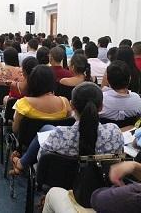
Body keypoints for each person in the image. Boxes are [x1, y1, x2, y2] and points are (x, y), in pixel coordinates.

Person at [41, 83, 124, 213]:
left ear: (72, 105)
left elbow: (42, 160)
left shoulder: (59, 134)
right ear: (101, 106)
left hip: (62, 185)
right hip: (102, 189)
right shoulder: (115, 132)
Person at [11, 65, 71, 133]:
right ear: (52, 81)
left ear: (32, 82)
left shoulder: (24, 103)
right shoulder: (64, 102)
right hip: (55, 142)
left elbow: (15, 129)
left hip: (28, 142)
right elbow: (67, 126)